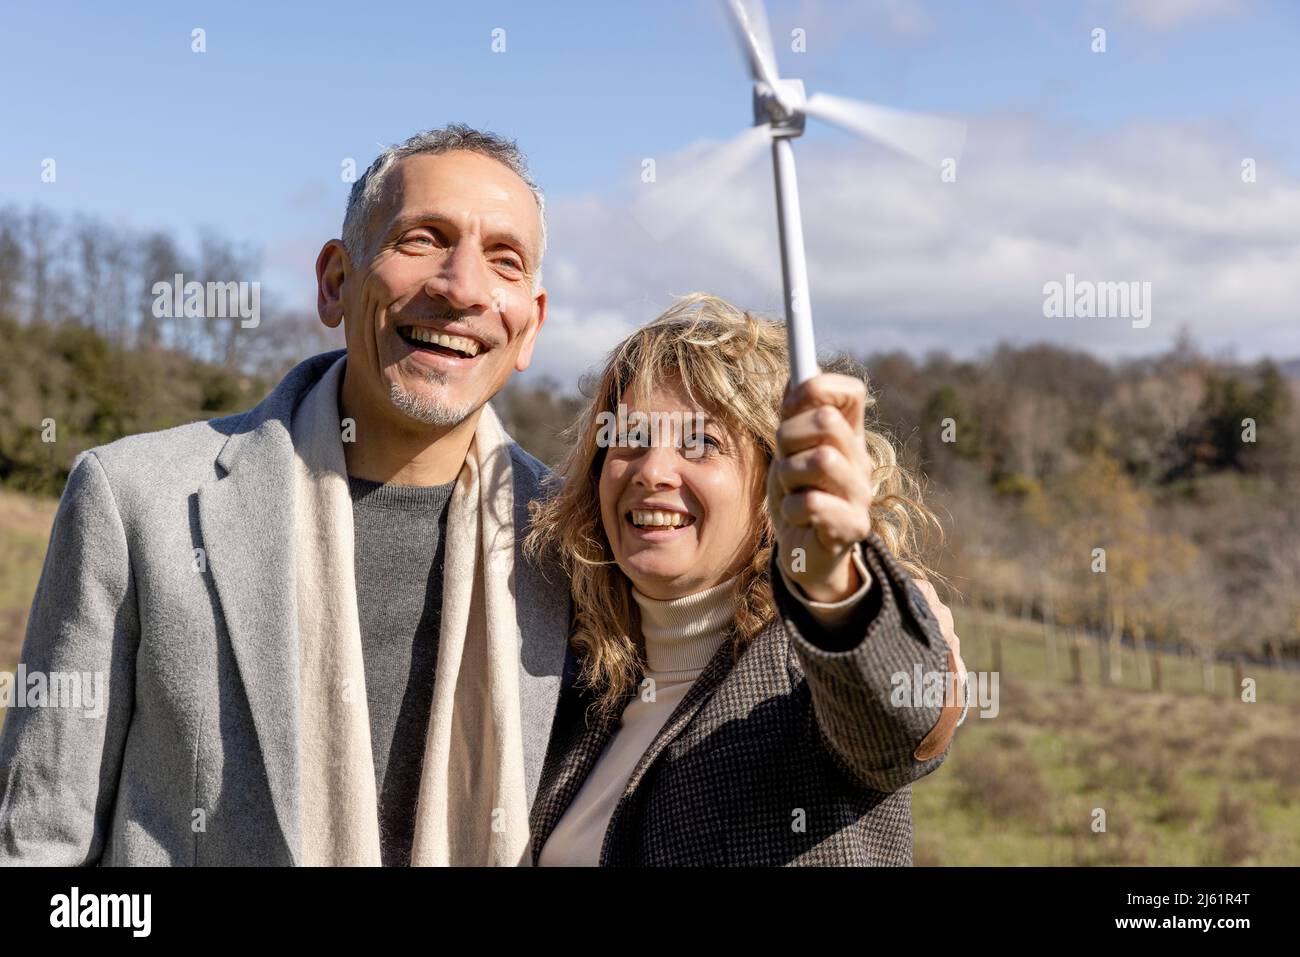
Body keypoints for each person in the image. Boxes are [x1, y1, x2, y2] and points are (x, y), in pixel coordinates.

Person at [0, 125, 570, 866]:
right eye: (423, 239)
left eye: (504, 260)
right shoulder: (135, 499)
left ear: (530, 324)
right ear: (336, 280)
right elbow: (39, 840)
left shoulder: (575, 543)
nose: (461, 288)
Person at [525, 293, 968, 866]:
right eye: (630, 437)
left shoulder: (802, 673)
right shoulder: (580, 679)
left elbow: (898, 723)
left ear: (775, 485)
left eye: (701, 442)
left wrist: (834, 584)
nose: (652, 470)